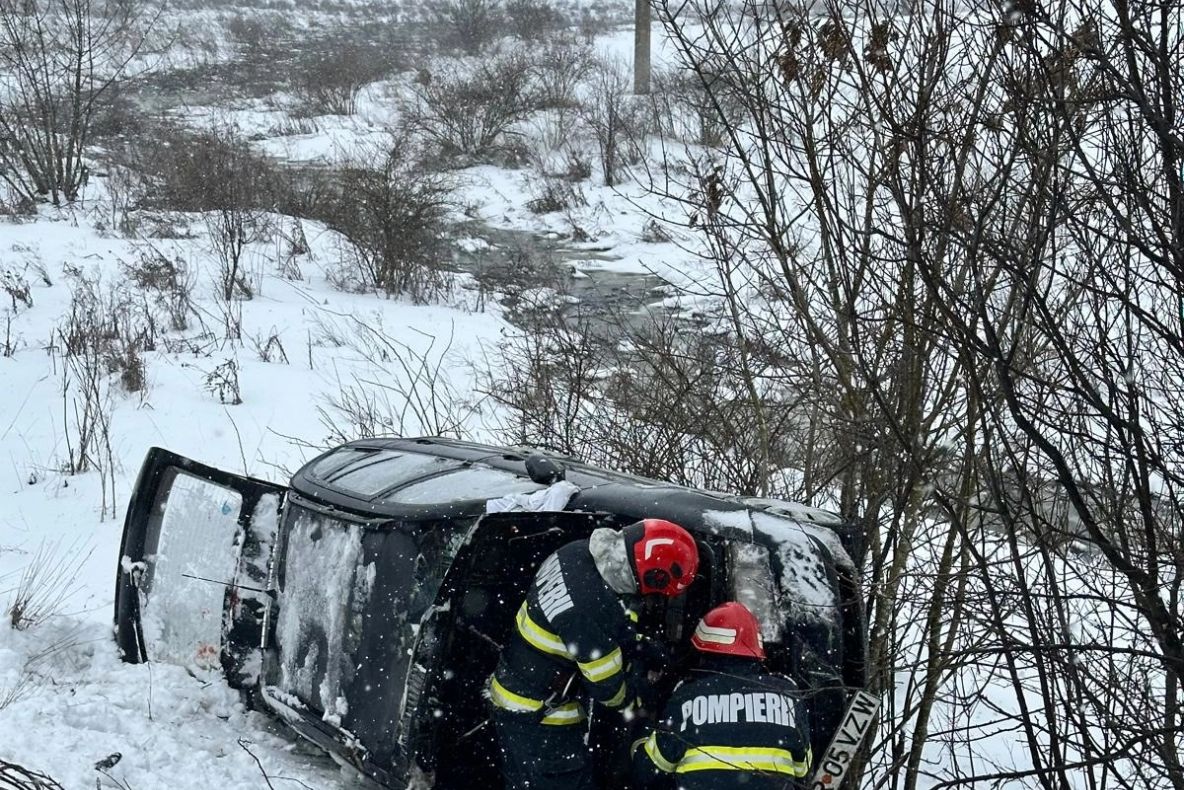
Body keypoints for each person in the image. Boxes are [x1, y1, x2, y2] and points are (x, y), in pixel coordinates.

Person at [489, 518, 700, 790]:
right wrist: (643, 700)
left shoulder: (576, 553)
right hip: (541, 715)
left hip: (516, 690)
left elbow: (595, 624)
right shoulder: (593, 608)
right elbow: (610, 692)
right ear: (653, 574)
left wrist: (639, 644)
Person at [631, 602, 812, 789]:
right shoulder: (788, 696)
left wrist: (641, 733)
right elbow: (803, 771)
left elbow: (647, 772)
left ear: (704, 652)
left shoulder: (686, 697)